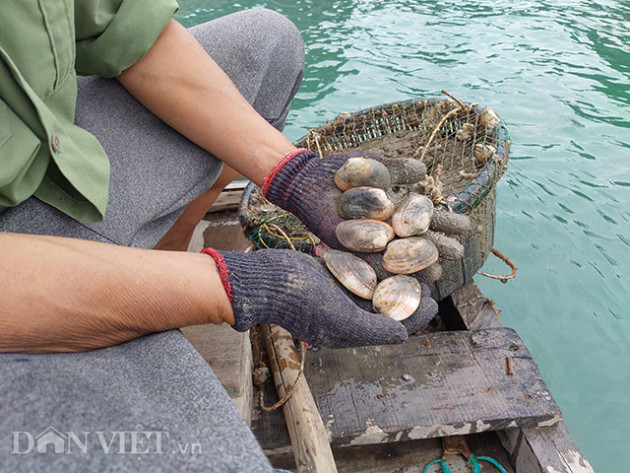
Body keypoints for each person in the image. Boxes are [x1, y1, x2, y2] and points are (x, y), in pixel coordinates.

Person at [0, 1, 439, 471]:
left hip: (56, 161)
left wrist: (288, 171)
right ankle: (145, 303)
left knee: (269, 43)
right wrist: (237, 285)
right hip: (21, 286)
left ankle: (159, 274)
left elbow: (126, 31)